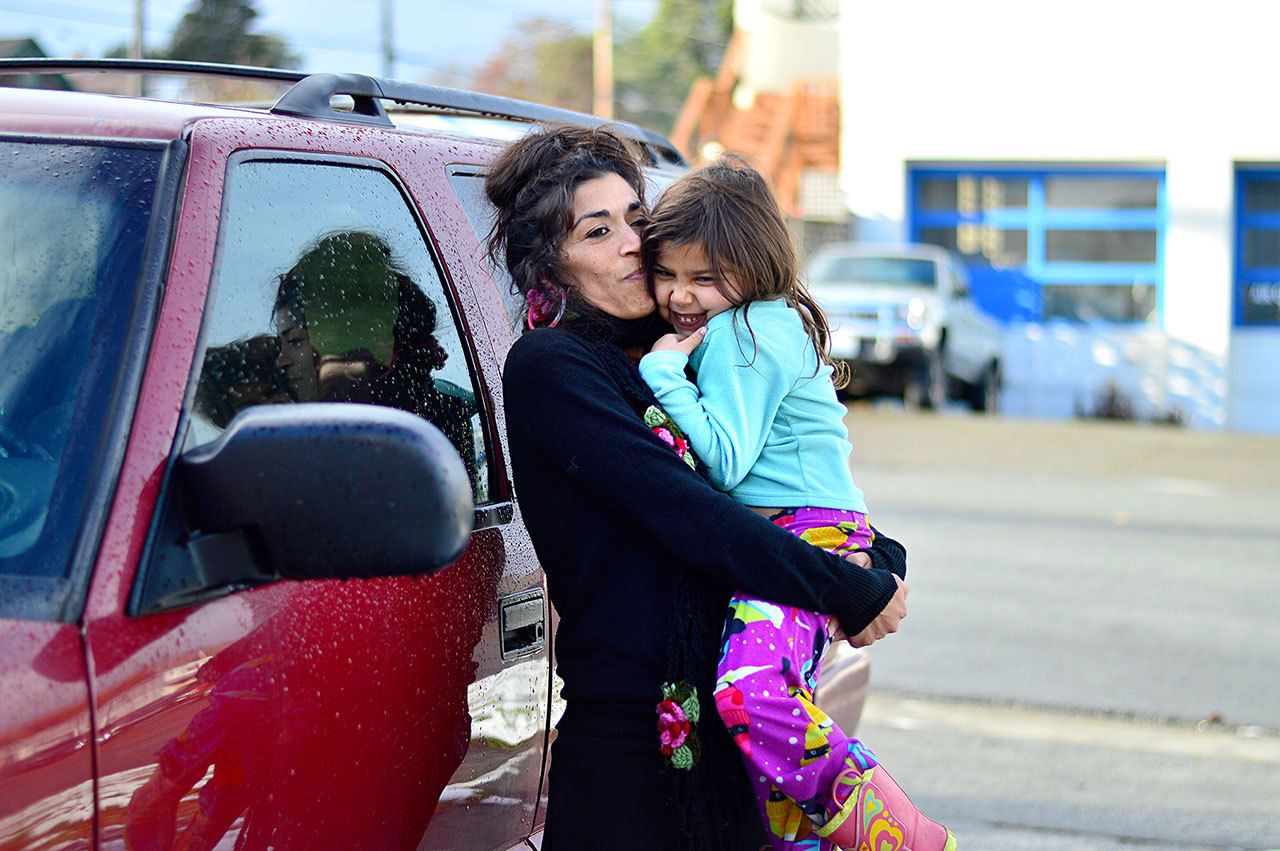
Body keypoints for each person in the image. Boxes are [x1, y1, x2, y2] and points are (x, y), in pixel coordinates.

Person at [487, 125, 911, 851]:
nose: (632, 243)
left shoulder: (694, 333)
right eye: (598, 230)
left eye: (636, 220)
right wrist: (843, 584)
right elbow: (687, 512)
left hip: (727, 741)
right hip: (625, 763)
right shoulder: (552, 369)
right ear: (548, 263)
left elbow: (789, 470)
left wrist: (878, 555)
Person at [637, 159, 955, 850]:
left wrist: (662, 371)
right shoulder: (759, 323)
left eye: (705, 278)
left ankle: (908, 840)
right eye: (669, 273)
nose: (681, 296)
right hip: (803, 529)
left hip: (804, 535)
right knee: (767, 742)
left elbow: (726, 456)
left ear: (755, 269)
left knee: (752, 694)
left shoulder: (745, 333)